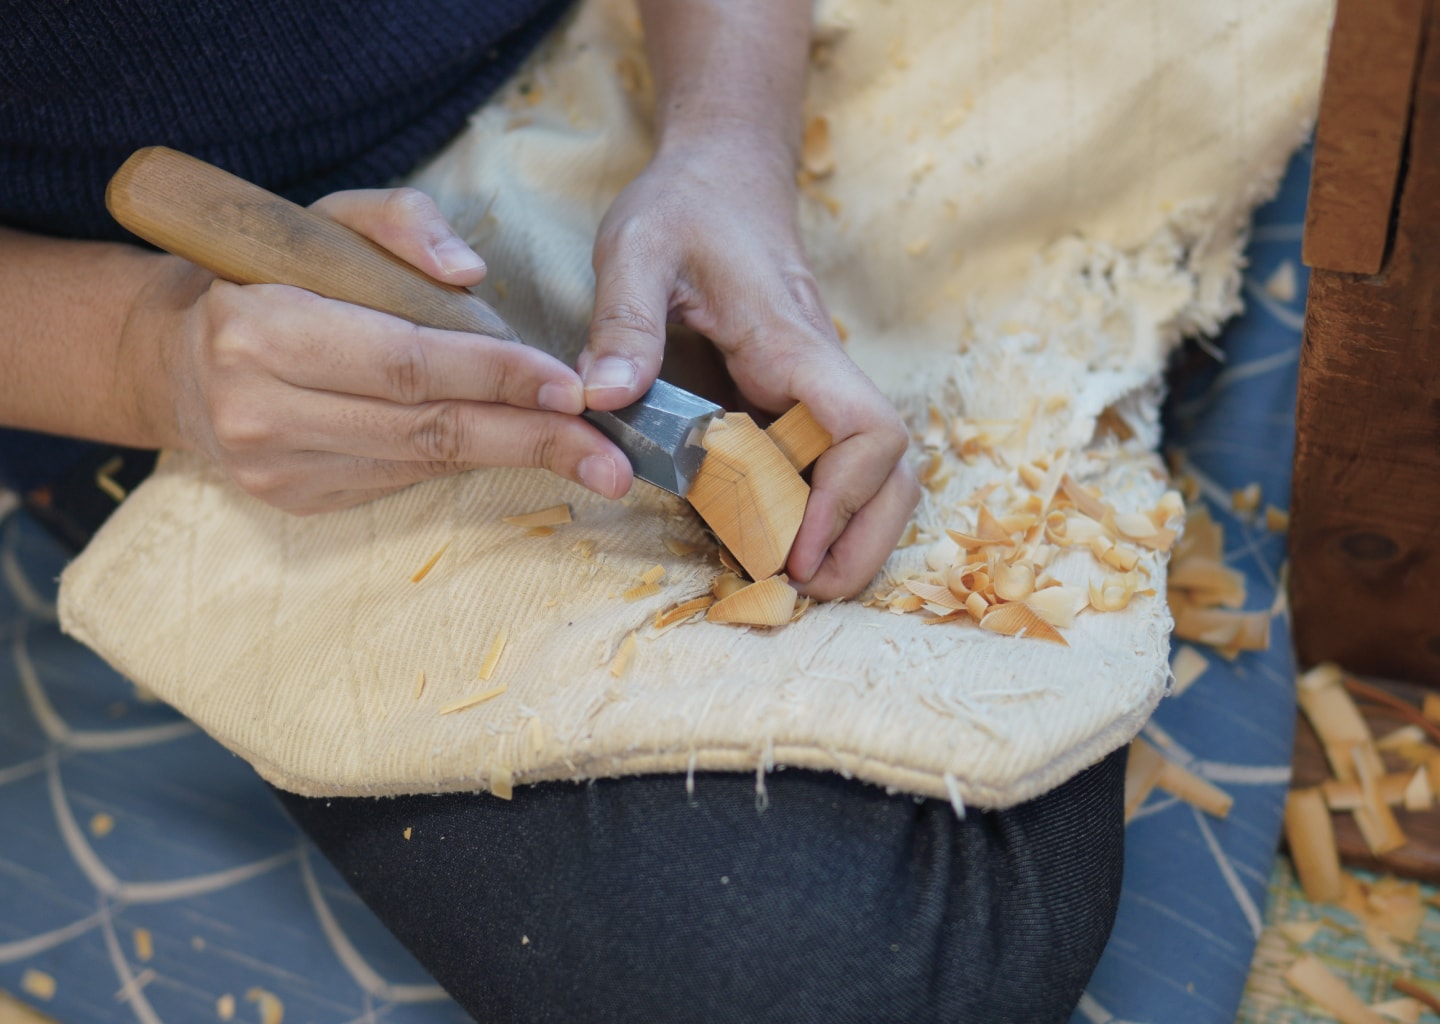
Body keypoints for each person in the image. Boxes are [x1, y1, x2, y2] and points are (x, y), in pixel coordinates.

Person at [0, 1, 1125, 1020]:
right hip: (219, 357)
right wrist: (142, 354)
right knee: (838, 985)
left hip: (646, 71)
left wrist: (730, 137)